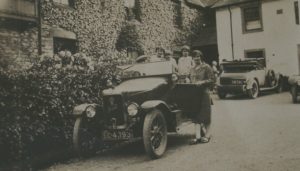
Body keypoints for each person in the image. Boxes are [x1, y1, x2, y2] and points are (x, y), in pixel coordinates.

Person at [189, 50, 215, 144]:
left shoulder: (206, 67)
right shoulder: (192, 68)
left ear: (201, 57)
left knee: (206, 115)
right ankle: (198, 137)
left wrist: (202, 82)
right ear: (192, 58)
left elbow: (212, 80)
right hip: (194, 94)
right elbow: (191, 79)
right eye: (194, 56)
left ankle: (207, 135)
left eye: (198, 56)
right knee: (196, 115)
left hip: (204, 93)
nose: (196, 58)